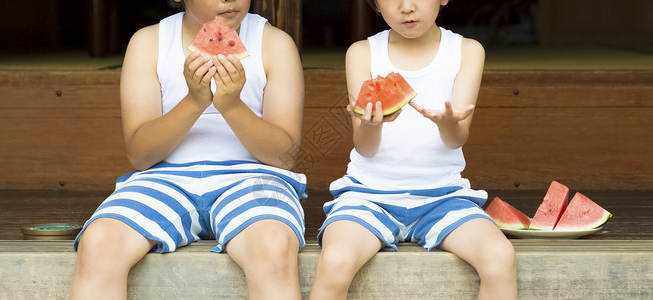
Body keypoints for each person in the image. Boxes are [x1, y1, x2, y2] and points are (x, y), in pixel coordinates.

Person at [70, 0, 306, 299]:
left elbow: (284, 156)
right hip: (163, 178)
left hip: (255, 179)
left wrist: (232, 106)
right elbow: (141, 155)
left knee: (273, 244)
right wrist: (194, 102)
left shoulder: (274, 44)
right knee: (99, 242)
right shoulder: (148, 43)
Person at [309, 0, 517, 299]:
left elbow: (456, 139)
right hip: (368, 195)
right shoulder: (362, 53)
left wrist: (447, 124)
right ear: (376, 5)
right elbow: (364, 148)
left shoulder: (466, 51)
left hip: (443, 197)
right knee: (335, 260)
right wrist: (371, 124)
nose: (406, 7)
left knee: (500, 257)